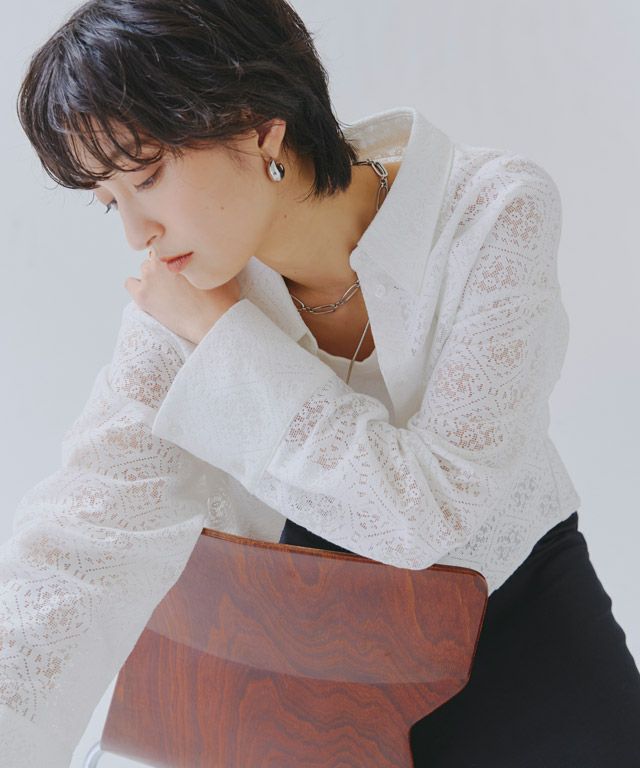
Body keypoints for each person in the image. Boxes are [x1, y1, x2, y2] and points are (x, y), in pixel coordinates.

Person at [3, 0, 639, 765]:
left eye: (147, 174)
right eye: (111, 201)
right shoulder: (176, 303)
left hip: (516, 615)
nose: (138, 234)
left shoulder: (490, 211)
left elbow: (431, 513)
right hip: (309, 662)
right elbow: (81, 542)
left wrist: (226, 340)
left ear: (256, 122)